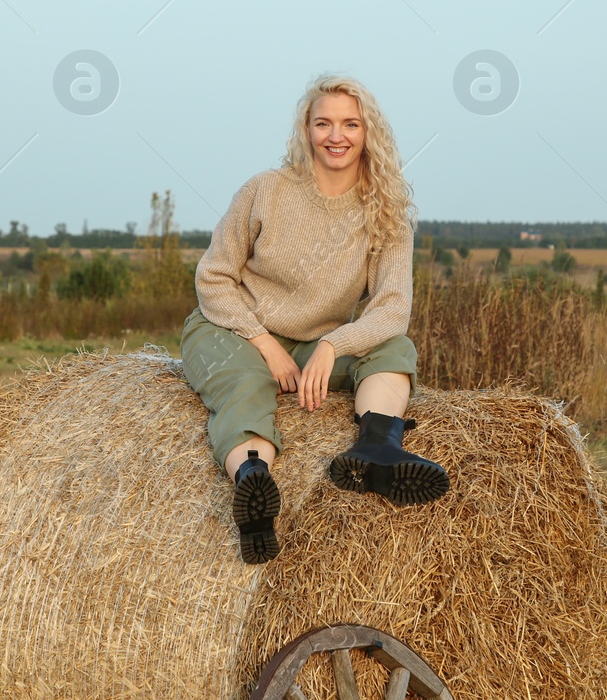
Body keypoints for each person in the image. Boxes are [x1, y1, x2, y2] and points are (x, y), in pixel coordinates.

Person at [180, 74, 448, 565]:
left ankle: (377, 448)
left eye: (349, 123)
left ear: (368, 133)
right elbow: (213, 277)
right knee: (244, 385)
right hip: (231, 327)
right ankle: (253, 482)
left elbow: (391, 308)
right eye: (323, 123)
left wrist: (333, 346)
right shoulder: (265, 190)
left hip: (316, 341)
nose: (336, 135)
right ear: (306, 130)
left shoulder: (387, 213)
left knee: (395, 348)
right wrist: (264, 342)